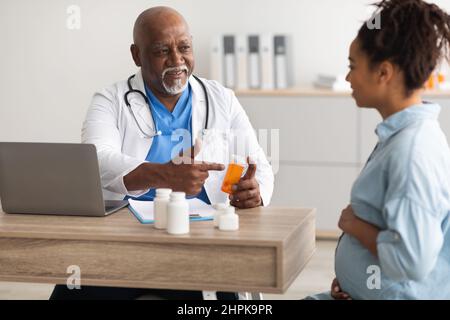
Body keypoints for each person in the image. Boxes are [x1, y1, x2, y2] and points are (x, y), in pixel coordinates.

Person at [50, 6, 274, 300]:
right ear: (136, 55)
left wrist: (255, 192)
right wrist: (165, 175)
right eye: (161, 51)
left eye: (184, 47)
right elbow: (96, 160)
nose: (177, 60)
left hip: (199, 245)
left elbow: (260, 166)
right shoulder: (111, 100)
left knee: (222, 300)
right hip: (122, 246)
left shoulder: (221, 99)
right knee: (71, 292)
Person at [309, 0, 450, 300]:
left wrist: (355, 227)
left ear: (383, 72)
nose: (347, 78)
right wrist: (356, 278)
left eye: (352, 66)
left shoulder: (412, 152)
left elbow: (411, 261)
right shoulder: (400, 136)